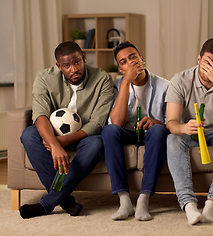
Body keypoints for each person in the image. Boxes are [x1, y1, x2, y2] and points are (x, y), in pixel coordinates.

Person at [19, 41, 114, 219]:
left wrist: (63, 142)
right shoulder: (44, 78)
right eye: (67, 65)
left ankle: (47, 203)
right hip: (53, 136)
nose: (73, 69)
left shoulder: (102, 79)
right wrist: (54, 144)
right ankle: (66, 201)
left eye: (77, 62)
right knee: (29, 134)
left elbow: (97, 123)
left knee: (97, 143)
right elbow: (40, 115)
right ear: (58, 66)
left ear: (84, 58)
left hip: (85, 135)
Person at [165, 38, 213, 225]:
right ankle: (189, 206)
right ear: (199, 59)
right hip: (190, 134)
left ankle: (212, 204)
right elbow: (171, 123)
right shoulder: (180, 80)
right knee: (172, 139)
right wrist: (185, 127)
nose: (210, 69)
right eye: (207, 63)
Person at [101, 41, 168, 221]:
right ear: (120, 69)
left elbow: (172, 124)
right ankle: (124, 201)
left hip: (151, 133)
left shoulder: (165, 86)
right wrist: (125, 83)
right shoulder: (115, 85)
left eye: (132, 57)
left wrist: (156, 122)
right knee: (109, 131)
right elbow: (116, 122)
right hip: (127, 132)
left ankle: (143, 199)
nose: (129, 63)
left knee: (159, 131)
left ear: (142, 59)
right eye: (123, 62)